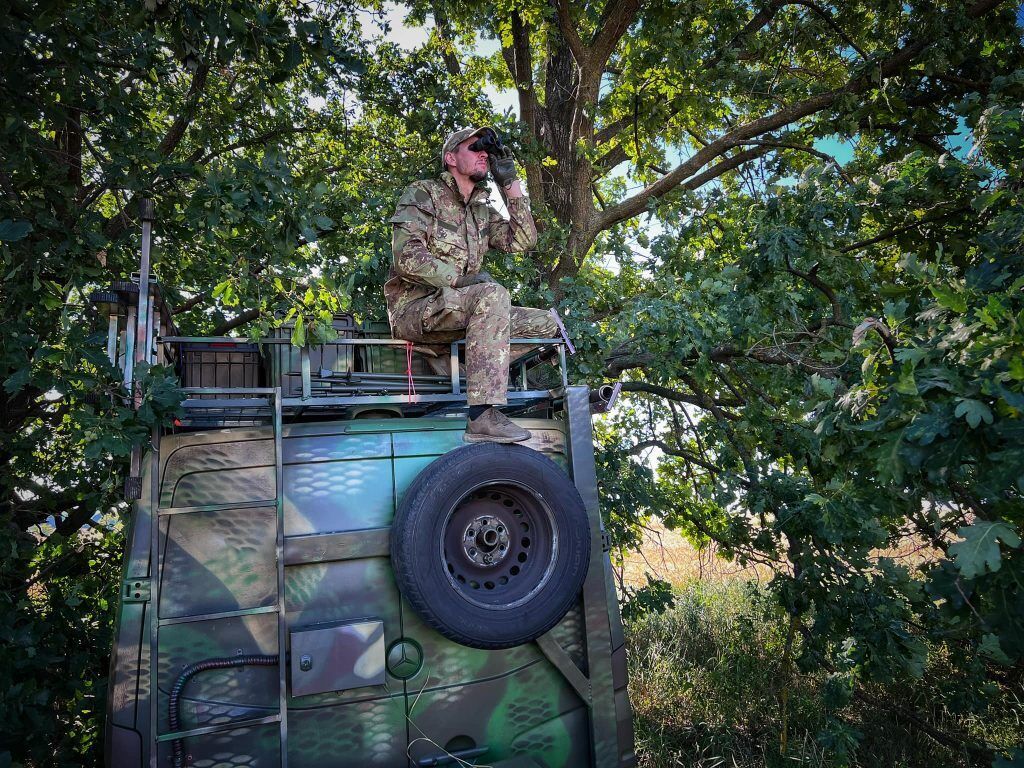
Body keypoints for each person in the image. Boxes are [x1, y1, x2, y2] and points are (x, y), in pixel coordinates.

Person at [386, 127, 559, 443]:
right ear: (451, 158)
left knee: (547, 323)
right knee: (493, 296)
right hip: (416, 310)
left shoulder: (482, 209)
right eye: (475, 147)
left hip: (460, 312)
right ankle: (482, 416)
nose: (484, 153)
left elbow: (523, 240)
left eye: (487, 150)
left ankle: (471, 368)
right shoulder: (423, 193)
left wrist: (511, 186)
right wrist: (457, 279)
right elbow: (406, 257)